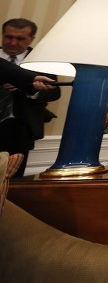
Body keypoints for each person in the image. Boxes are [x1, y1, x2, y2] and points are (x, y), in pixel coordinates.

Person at [0, 18, 60, 177]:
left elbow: (54, 92)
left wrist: (28, 88)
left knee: (13, 178)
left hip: (21, 127)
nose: (12, 43)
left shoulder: (40, 61)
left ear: (31, 39)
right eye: (8, 37)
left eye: (20, 39)